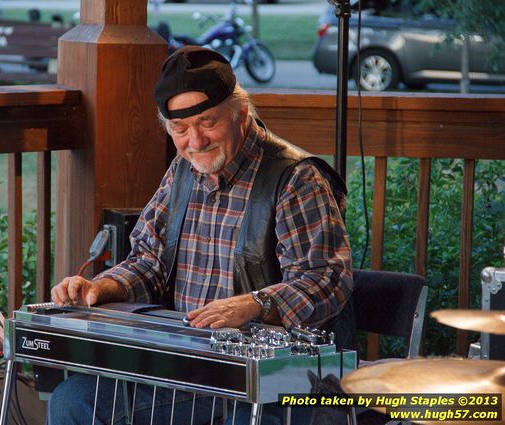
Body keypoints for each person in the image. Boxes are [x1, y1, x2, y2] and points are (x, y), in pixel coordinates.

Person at [48, 46, 353, 425]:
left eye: (208, 122)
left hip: (272, 385)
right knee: (73, 401)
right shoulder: (182, 171)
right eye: (180, 129)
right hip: (186, 371)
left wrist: (255, 304)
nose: (195, 141)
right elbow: (149, 261)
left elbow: (326, 279)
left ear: (241, 113)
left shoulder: (295, 178)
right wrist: (102, 286)